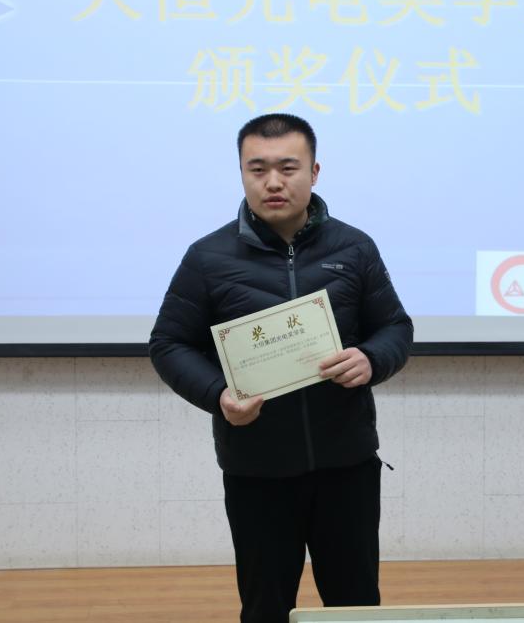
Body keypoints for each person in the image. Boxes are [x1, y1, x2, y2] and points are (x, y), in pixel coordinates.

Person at [149, 113, 413, 623]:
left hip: (347, 464)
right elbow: (168, 343)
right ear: (242, 173)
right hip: (257, 469)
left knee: (356, 604)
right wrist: (218, 395)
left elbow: (395, 328)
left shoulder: (354, 247)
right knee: (265, 607)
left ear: (314, 172)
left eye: (288, 168)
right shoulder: (207, 257)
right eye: (258, 169)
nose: (273, 182)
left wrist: (372, 358)